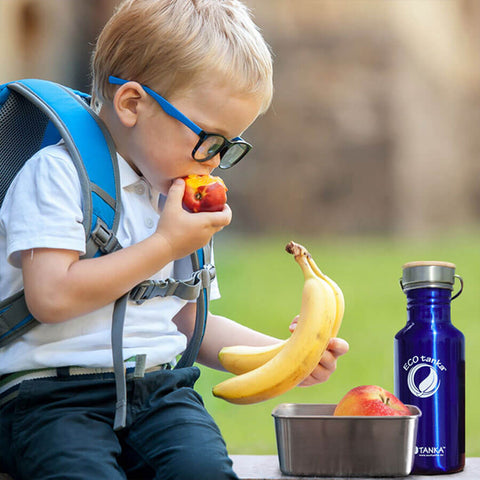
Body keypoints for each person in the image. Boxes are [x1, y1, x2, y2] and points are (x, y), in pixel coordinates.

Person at [0, 1, 349, 479]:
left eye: (229, 146)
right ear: (132, 105)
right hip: (52, 399)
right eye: (208, 138)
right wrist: (164, 245)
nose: (214, 160)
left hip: (159, 393)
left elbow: (187, 320)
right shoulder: (58, 176)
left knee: (203, 470)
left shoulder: (178, 199)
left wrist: (287, 355)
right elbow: (51, 296)